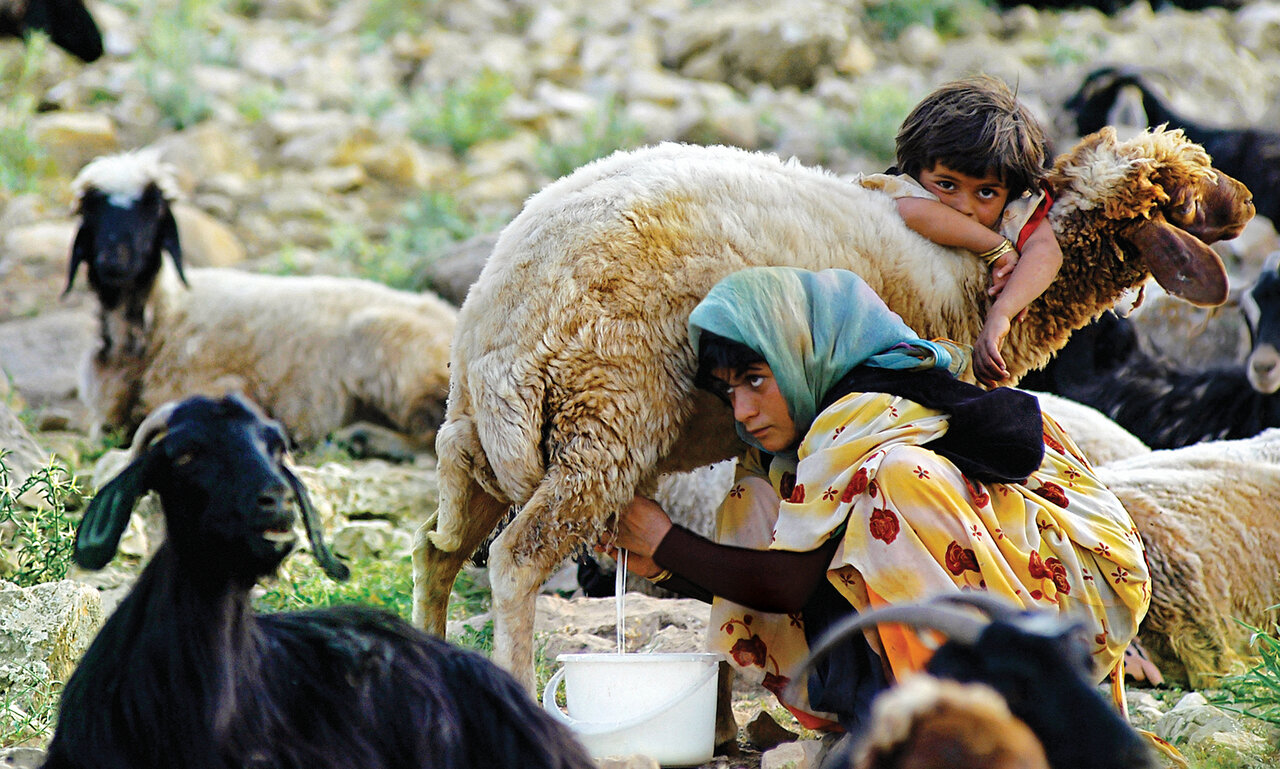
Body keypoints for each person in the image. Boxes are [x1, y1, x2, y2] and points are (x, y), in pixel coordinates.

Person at [602, 266, 1150, 733]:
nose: (742, 410)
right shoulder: (796, 447)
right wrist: (669, 566)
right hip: (1017, 586)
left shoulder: (860, 410)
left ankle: (956, 720)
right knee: (758, 495)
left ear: (802, 355)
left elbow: (788, 580)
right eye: (729, 392)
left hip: (1082, 591)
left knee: (893, 480)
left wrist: (667, 540)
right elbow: (790, 572)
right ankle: (886, 710)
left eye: (755, 379)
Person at [858, 75, 1063, 386]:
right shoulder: (909, 191)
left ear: (1010, 192)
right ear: (916, 169)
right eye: (947, 185)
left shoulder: (1013, 211)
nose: (962, 206)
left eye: (985, 193)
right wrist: (997, 247)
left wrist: (1002, 314)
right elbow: (907, 211)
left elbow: (1046, 252)